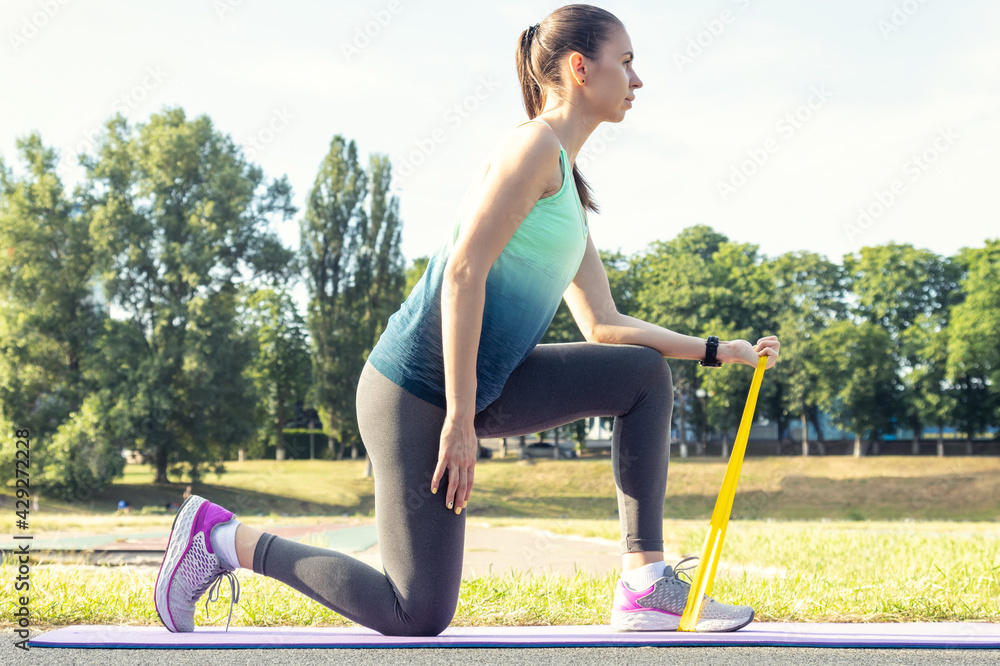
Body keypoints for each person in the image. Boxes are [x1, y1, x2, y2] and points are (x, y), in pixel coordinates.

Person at [153, 3, 780, 636]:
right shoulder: (533, 146)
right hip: (413, 393)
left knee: (642, 375)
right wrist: (457, 419)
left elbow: (603, 324)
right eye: (627, 62)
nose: (637, 79)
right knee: (417, 612)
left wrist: (715, 349)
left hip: (485, 388)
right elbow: (462, 273)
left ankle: (644, 585)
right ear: (580, 68)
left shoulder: (568, 186)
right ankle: (221, 538)